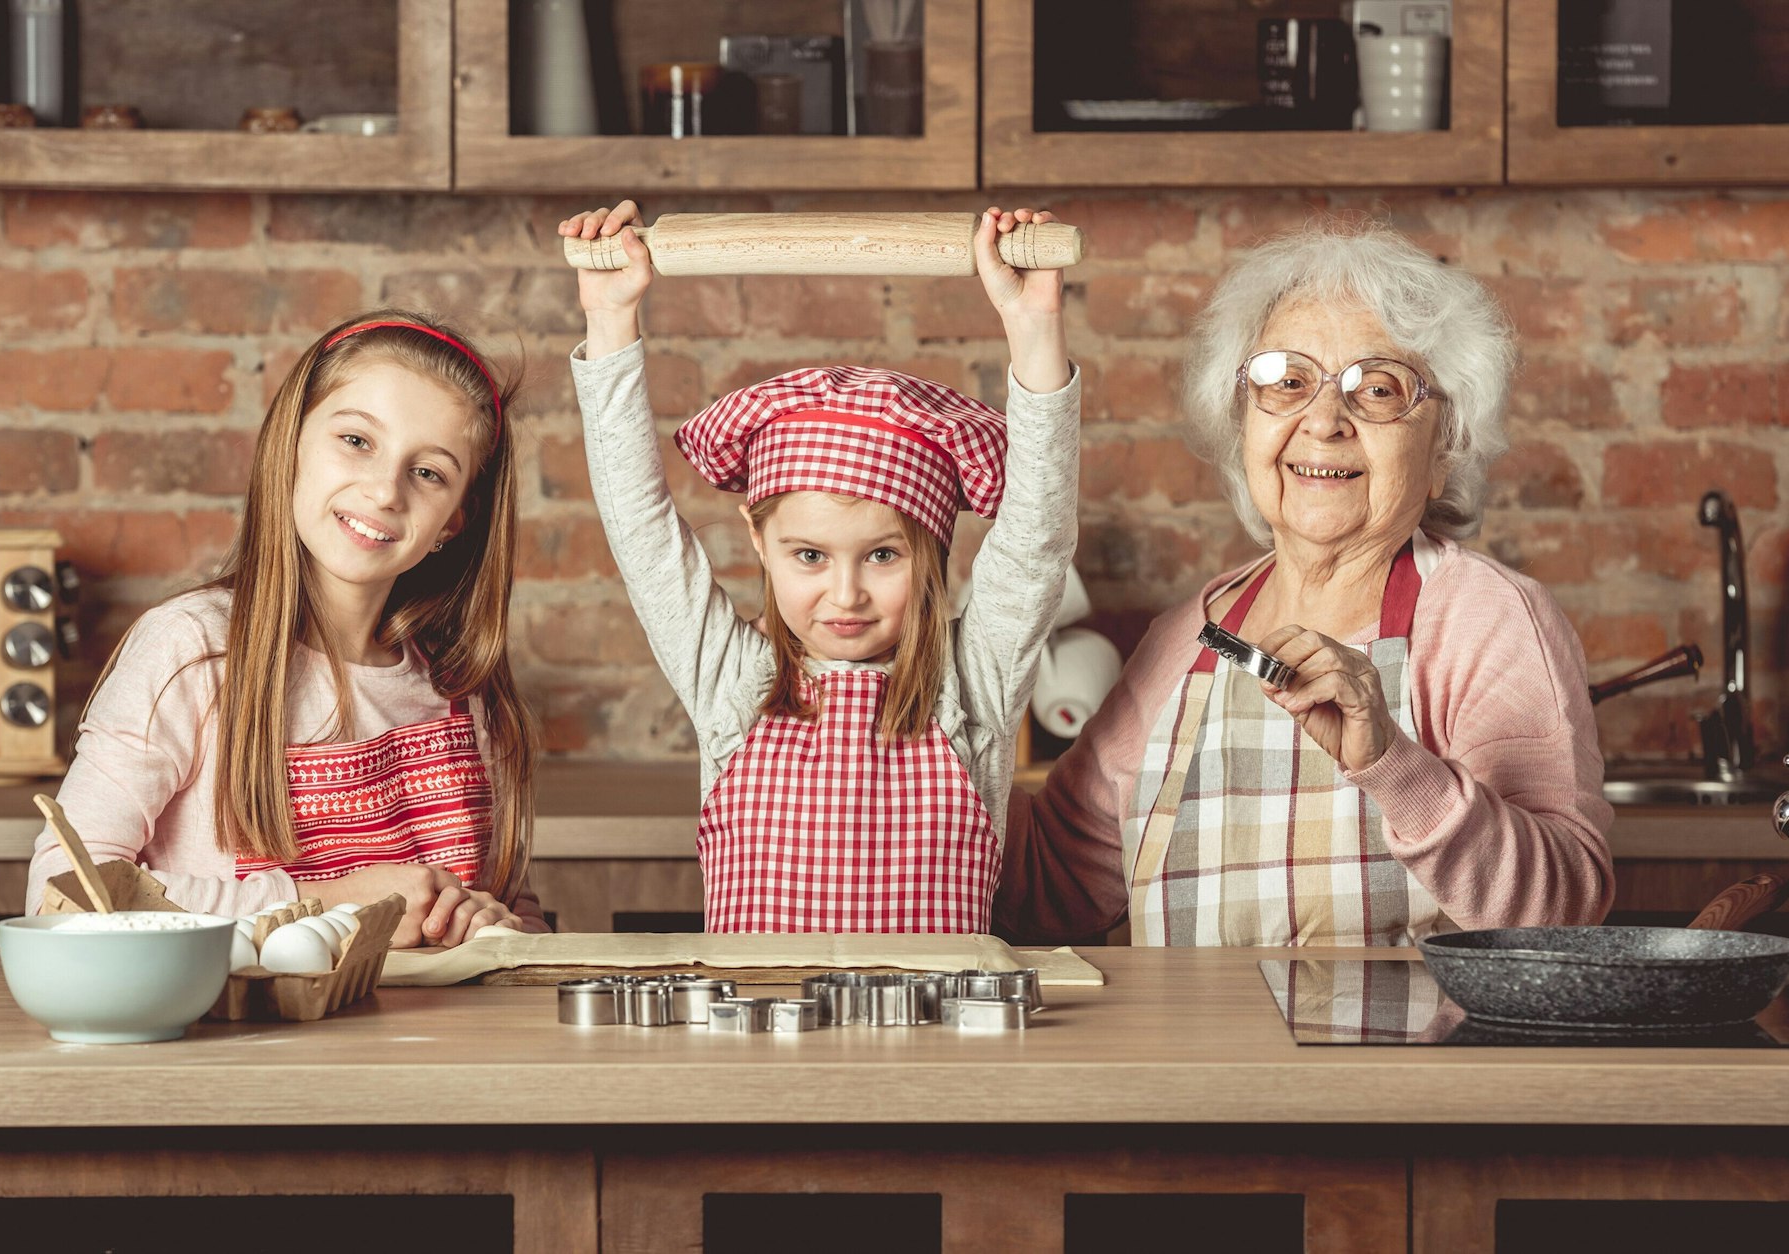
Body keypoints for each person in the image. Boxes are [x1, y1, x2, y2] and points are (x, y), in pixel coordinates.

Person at [996, 221, 1614, 947]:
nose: (1323, 421)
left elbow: (1563, 915)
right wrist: (930, 718)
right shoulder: (1190, 638)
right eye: (1286, 382)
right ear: (1243, 424)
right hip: (1196, 1062)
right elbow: (1049, 891)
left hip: (1412, 1059)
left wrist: (1392, 764)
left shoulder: (1483, 618)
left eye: (1378, 389)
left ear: (1446, 447)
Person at [561, 200, 1079, 933]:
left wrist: (1033, 325)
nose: (846, 593)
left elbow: (1037, 536)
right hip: (758, 1046)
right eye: (809, 555)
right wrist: (611, 323)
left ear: (932, 553)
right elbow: (639, 527)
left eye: (883, 555)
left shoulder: (972, 686)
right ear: (758, 539)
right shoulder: (731, 681)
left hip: (940, 1049)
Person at [26, 311, 544, 948]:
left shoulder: (464, 688)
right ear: (290, 444)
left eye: (429, 472)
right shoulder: (190, 650)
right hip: (246, 1047)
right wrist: (328, 903)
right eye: (356, 440)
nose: (385, 491)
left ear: (454, 521)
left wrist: (498, 928)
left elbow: (521, 915)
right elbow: (64, 896)